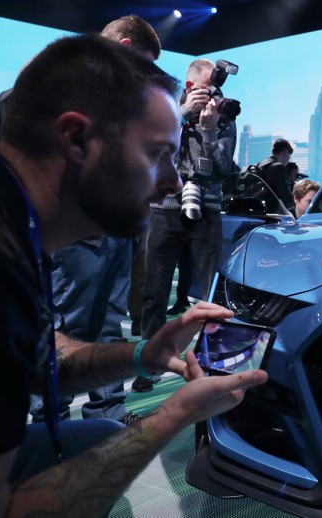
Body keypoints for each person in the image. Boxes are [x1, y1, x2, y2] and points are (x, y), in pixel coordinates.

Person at [0, 33, 267, 516]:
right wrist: (174, 415)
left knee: (100, 434)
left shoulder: (17, 225)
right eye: (157, 154)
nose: (174, 182)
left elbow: (39, 356)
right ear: (77, 139)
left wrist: (143, 354)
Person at [0, 14, 163, 422]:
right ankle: (49, 417)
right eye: (144, 64)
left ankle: (107, 409)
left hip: (112, 233)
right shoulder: (38, 92)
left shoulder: (122, 107)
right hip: (71, 238)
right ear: (125, 49)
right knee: (64, 324)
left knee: (109, 321)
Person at [140, 58, 238, 391]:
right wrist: (181, 115)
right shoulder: (166, 109)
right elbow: (150, 151)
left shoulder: (224, 115)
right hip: (165, 207)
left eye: (218, 89)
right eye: (208, 89)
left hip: (207, 209)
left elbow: (223, 168)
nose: (215, 95)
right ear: (190, 86)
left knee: (212, 294)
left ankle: (212, 365)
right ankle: (149, 365)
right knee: (154, 293)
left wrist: (209, 131)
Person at [254, 138, 294, 211]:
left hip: (258, 208)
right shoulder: (279, 167)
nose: (289, 159)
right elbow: (285, 195)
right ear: (285, 152)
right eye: (289, 156)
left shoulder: (259, 165)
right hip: (272, 211)